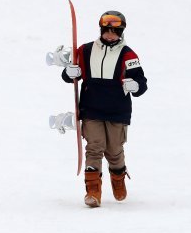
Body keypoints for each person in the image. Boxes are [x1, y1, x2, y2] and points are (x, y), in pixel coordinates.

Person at [60, 11, 147, 208]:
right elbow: (71, 74)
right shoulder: (86, 50)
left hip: (118, 110)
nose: (110, 35)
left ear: (121, 32)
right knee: (94, 146)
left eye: (115, 32)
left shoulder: (128, 54)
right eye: (107, 31)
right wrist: (69, 73)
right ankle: (93, 191)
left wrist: (136, 86)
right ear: (101, 30)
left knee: (114, 150)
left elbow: (141, 83)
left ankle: (118, 178)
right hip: (91, 109)